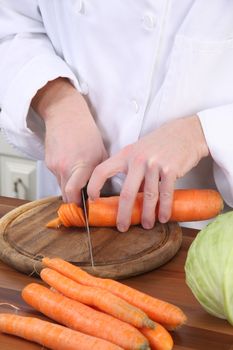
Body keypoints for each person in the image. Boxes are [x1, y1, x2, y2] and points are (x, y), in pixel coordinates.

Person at [0, 1, 233, 231]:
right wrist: (56, 102)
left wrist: (203, 133)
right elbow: (11, 24)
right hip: (68, 203)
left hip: (200, 227)